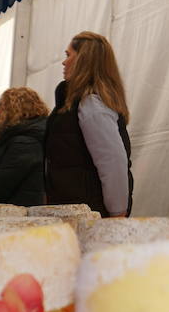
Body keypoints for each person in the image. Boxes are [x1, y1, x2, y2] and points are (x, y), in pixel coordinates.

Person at [45, 32, 132, 217]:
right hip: (77, 212)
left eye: (68, 55)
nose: (63, 62)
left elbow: (112, 162)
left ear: (84, 60)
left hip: (90, 216)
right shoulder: (77, 103)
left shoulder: (92, 104)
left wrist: (117, 215)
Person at [0, 87, 49, 206]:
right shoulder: (22, 139)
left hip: (14, 213)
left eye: (2, 106)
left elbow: (2, 185)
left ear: (15, 110)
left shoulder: (24, 143)